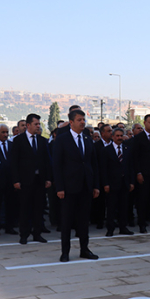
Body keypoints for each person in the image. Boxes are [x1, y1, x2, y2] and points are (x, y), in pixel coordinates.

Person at [52, 109, 100, 262]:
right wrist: (59, 187)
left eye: (83, 119)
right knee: (67, 221)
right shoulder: (62, 139)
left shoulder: (87, 139)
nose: (82, 122)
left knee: (84, 220)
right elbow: (57, 165)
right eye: (79, 120)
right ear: (71, 122)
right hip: (68, 187)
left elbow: (93, 164)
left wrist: (95, 185)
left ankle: (84, 249)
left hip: (85, 186)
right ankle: (65, 252)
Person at [10, 114, 52, 245]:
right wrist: (15, 180)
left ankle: (37, 233)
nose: (38, 126)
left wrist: (48, 178)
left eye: (39, 124)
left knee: (38, 208)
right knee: (25, 208)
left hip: (39, 180)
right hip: (25, 181)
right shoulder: (18, 141)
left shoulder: (42, 141)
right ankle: (24, 234)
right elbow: (14, 162)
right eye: (36, 124)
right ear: (28, 125)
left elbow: (47, 161)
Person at [101, 127, 135, 237]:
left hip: (124, 183)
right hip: (112, 184)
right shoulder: (106, 150)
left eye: (121, 136)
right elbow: (104, 169)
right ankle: (110, 228)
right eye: (117, 136)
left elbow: (131, 167)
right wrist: (105, 183)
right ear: (113, 137)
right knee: (111, 207)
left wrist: (131, 182)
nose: (119, 138)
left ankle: (123, 227)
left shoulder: (127, 149)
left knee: (124, 207)